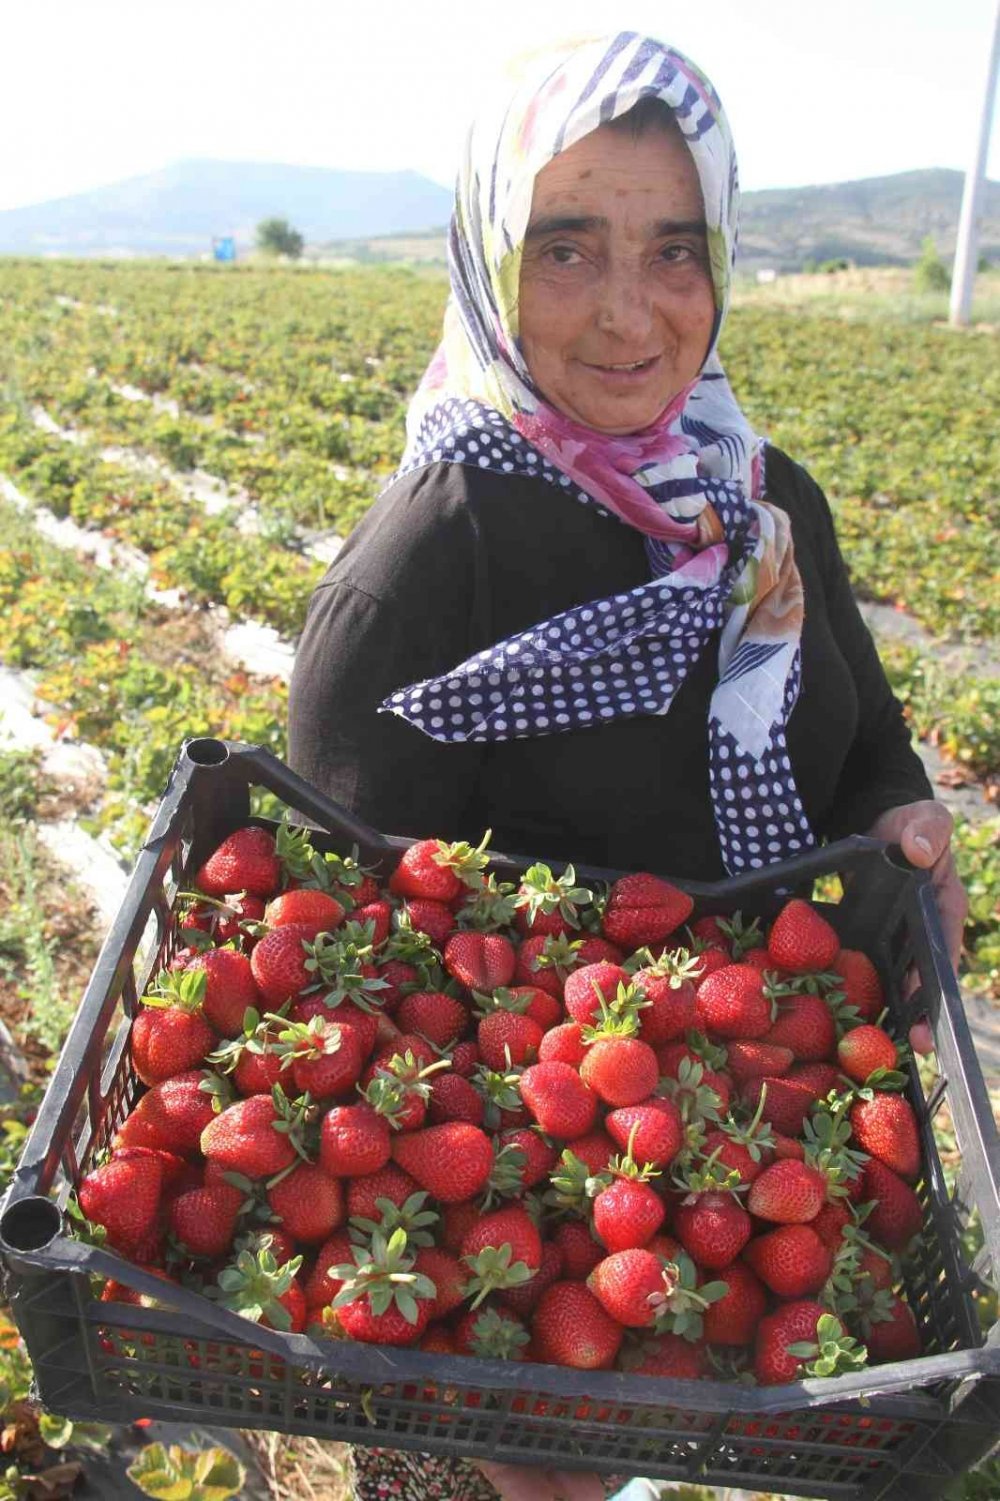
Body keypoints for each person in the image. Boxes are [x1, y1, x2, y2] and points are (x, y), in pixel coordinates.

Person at [288, 31, 966, 1500]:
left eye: (675, 250)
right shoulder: (426, 567)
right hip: (541, 1252)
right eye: (568, 248)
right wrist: (518, 1376)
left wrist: (901, 810)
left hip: (766, 1155)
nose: (628, 314)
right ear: (487, 255)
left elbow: (861, 742)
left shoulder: (763, 495)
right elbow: (346, 979)